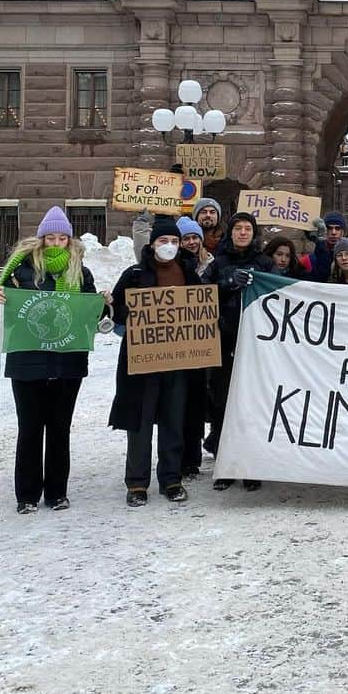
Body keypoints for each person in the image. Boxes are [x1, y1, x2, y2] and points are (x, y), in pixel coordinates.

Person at [0, 207, 110, 513]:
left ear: (69, 241)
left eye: (62, 237)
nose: (56, 242)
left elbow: (89, 317)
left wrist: (103, 306)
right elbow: (3, 319)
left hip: (67, 362)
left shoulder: (80, 271)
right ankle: (26, 495)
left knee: (59, 428)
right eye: (51, 237)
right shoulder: (20, 270)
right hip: (27, 362)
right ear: (41, 239)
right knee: (29, 428)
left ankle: (57, 492)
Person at [108, 217, 199, 507]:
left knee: (174, 421)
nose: (169, 246)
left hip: (178, 360)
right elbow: (117, 311)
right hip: (142, 362)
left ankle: (171, 480)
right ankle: (137, 484)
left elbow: (202, 307)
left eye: (174, 241)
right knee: (140, 423)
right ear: (152, 245)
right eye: (163, 241)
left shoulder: (188, 271)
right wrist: (117, 308)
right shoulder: (134, 274)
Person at [205, 211, 276, 491]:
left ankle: (251, 466)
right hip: (224, 341)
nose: (243, 233)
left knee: (252, 405)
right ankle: (226, 466)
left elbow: (280, 296)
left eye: (248, 228)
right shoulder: (217, 263)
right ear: (231, 232)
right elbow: (202, 295)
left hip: (257, 346)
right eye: (238, 228)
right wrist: (227, 284)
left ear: (253, 233)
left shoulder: (265, 263)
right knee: (223, 405)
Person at [175, 215, 214, 478]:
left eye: (194, 237)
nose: (190, 242)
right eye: (186, 238)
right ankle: (178, 459)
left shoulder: (211, 265)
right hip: (176, 346)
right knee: (177, 406)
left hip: (203, 343)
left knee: (198, 405)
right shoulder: (171, 266)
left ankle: (193, 459)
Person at [307, 211, 347, 283]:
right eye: (329, 228)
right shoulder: (310, 259)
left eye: (337, 228)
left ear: (343, 232)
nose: (333, 232)